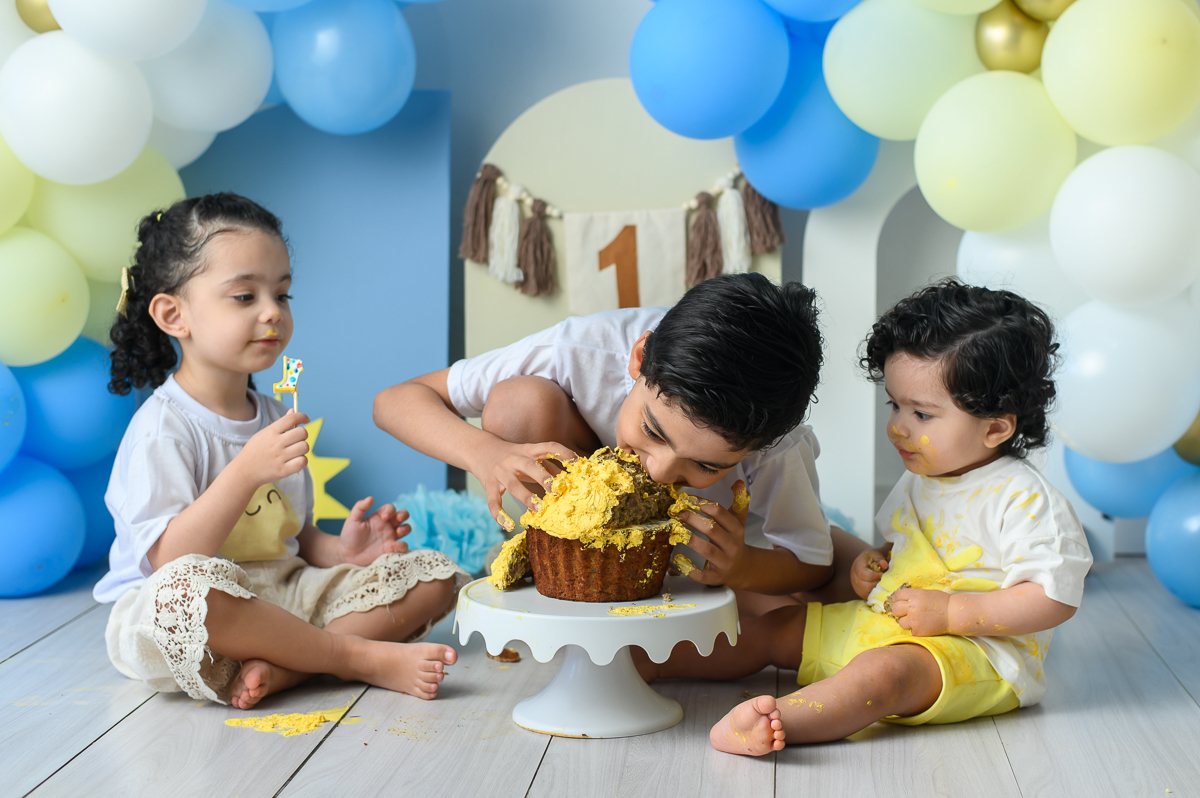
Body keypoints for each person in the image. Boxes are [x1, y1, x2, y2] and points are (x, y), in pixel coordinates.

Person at [654, 280, 1093, 755]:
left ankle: (779, 722)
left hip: (973, 654)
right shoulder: (924, 477)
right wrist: (876, 565)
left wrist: (952, 612)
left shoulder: (1022, 498)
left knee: (882, 677)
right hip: (885, 623)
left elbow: (1054, 598)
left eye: (922, 414)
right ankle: (652, 663)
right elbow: (909, 549)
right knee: (778, 627)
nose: (897, 426)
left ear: (995, 427)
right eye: (895, 404)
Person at [93, 193, 465, 710]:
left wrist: (342, 552)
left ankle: (289, 667)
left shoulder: (272, 415)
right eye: (245, 297)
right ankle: (349, 656)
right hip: (203, 610)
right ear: (174, 314)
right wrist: (245, 471)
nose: (273, 312)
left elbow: (287, 535)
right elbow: (168, 560)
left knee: (435, 578)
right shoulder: (164, 428)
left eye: (283, 295)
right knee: (181, 596)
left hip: (283, 594)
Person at [374, 273, 848, 598]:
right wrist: (484, 452)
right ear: (639, 359)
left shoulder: (774, 441)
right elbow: (394, 401)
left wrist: (744, 566)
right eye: (652, 430)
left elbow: (811, 560)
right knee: (519, 405)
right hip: (581, 545)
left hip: (693, 568)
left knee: (817, 594)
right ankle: (556, 557)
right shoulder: (581, 349)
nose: (659, 470)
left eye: (707, 465)